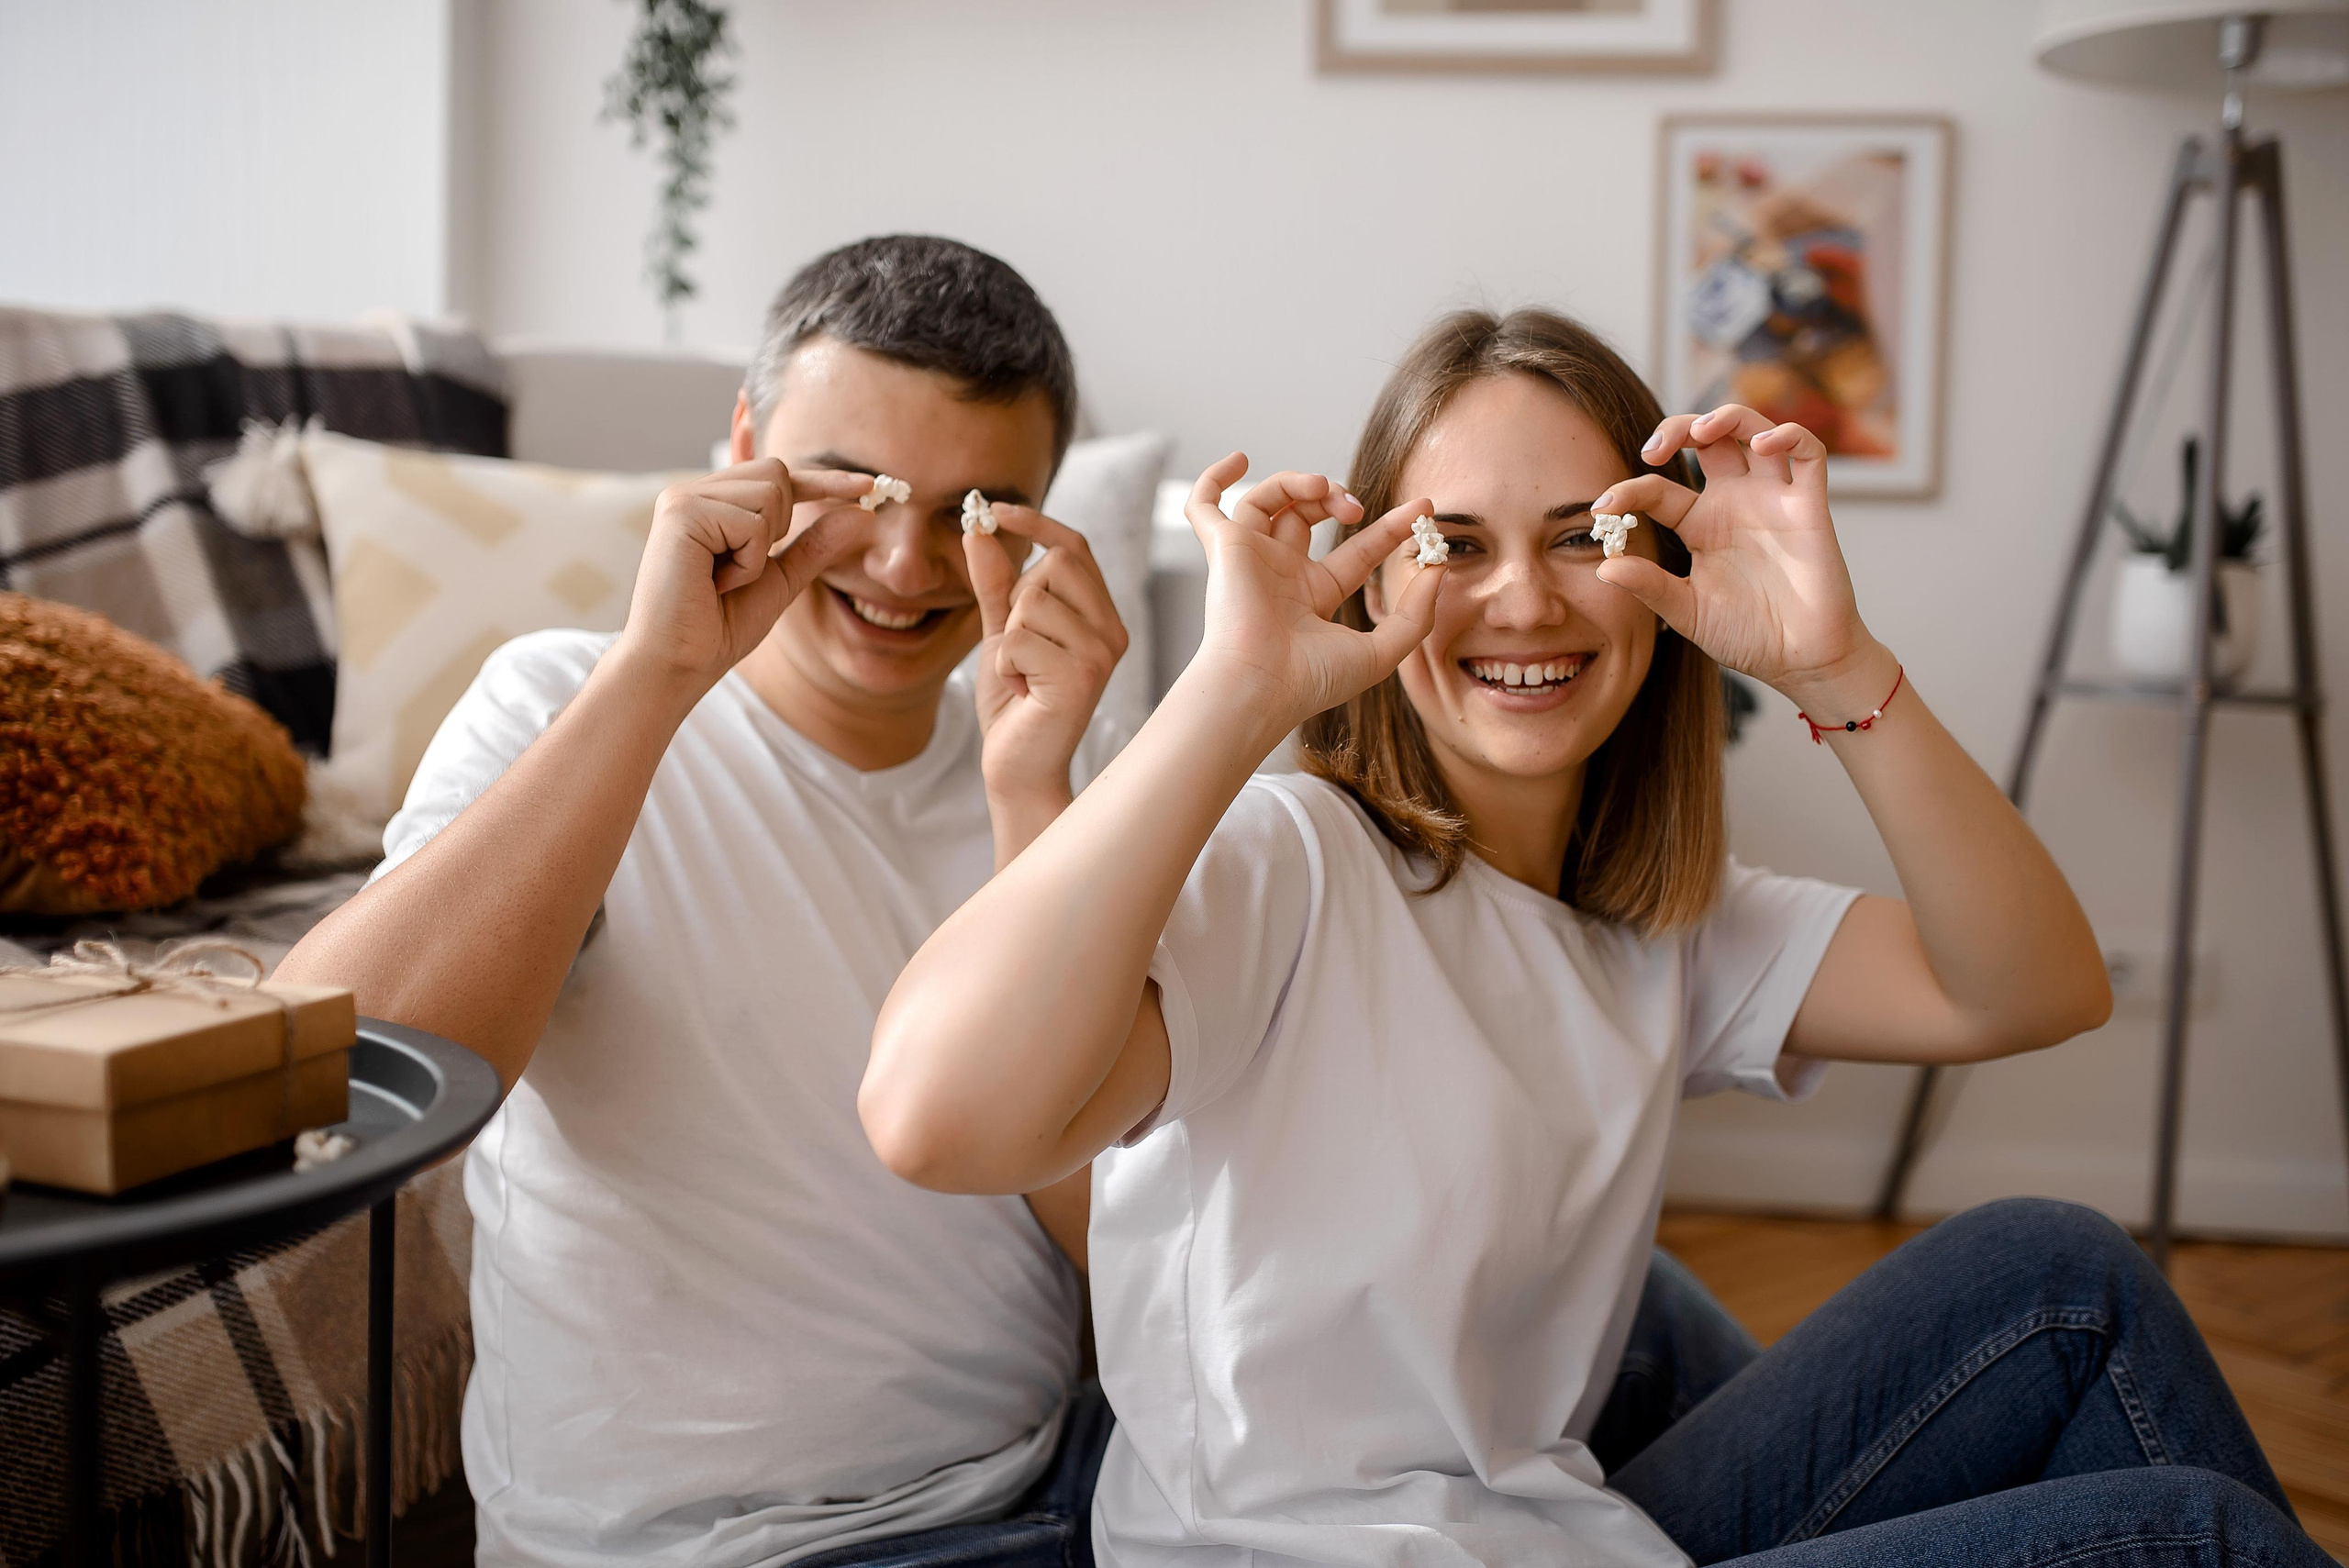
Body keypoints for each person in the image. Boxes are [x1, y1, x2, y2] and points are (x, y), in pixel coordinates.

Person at [861, 307, 2329, 1568]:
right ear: (1376, 575)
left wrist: (1835, 664)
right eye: (1455, 543)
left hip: (1555, 1536)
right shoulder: (1290, 865)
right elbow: (937, 1120)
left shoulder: (1663, 922)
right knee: (2189, 1538)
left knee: (2057, 1272)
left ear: (1660, 570)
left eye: (1585, 537)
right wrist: (1237, 691)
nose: (1523, 597)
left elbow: (2035, 987)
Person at [277, 236, 1137, 1568]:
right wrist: (657, 674)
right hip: (697, 1547)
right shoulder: (567, 702)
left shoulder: (1044, 771)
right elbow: (340, 1069)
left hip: (1050, 1487)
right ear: (743, 441)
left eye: (972, 513)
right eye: (857, 486)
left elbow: (1136, 1252)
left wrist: (1044, 812)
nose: (905, 569)